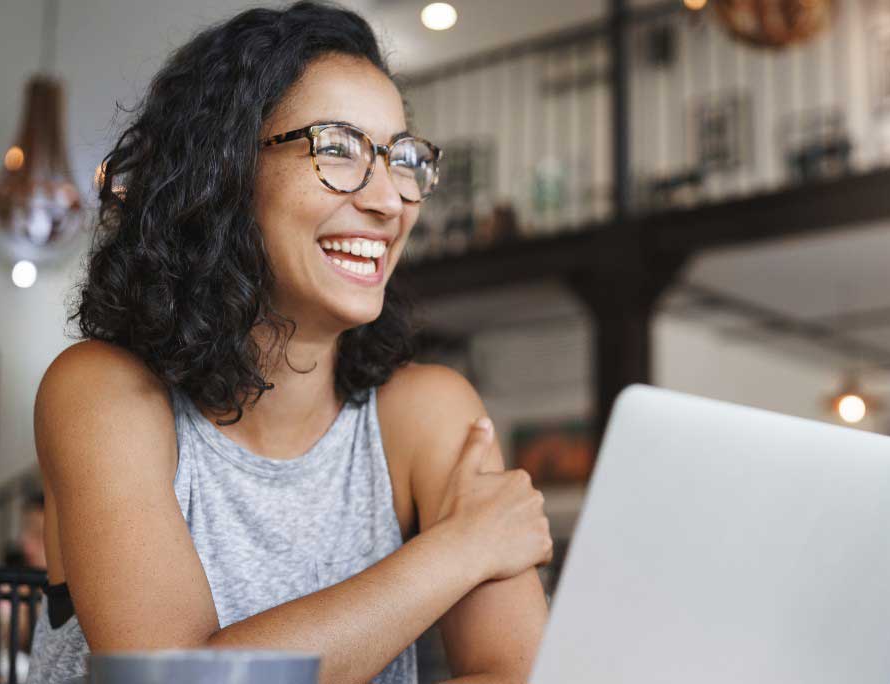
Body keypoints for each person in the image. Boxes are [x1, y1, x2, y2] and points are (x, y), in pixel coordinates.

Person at [28, 3, 552, 683]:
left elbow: (516, 673)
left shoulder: (427, 413)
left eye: (401, 158)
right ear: (224, 171)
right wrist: (460, 550)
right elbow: (172, 680)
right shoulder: (101, 391)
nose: (391, 200)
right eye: (338, 147)